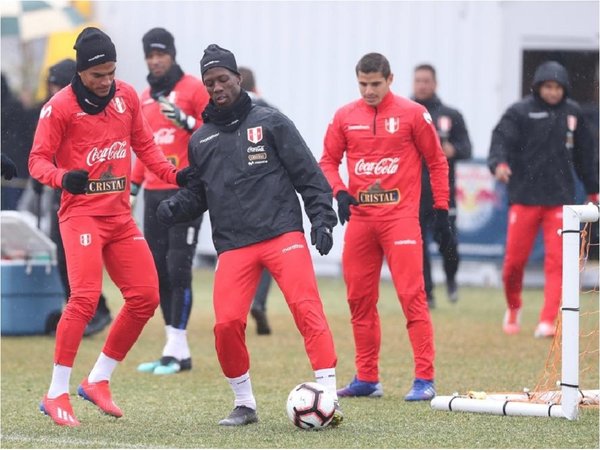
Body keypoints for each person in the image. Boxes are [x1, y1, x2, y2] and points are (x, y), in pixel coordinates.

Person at [157, 44, 343, 426]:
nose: (217, 87)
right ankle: (244, 403)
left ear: (238, 78)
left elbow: (307, 173)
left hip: (281, 233)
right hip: (234, 244)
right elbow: (200, 194)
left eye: (223, 79)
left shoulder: (271, 121)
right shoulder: (201, 140)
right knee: (225, 325)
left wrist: (322, 219)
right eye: (210, 82)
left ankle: (328, 397)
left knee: (307, 309)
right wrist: (175, 207)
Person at [28, 27, 195, 427]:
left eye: (111, 72)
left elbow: (145, 145)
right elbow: (36, 161)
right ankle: (55, 393)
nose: (106, 81)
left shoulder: (127, 96)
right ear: (81, 72)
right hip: (81, 216)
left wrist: (175, 175)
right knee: (84, 300)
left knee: (145, 297)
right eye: (97, 75)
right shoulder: (58, 108)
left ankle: (98, 380)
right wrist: (62, 178)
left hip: (119, 217)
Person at [320, 52, 452, 401]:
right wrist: (339, 192)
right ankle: (367, 378)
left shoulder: (413, 114)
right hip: (361, 222)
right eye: (362, 84)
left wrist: (441, 208)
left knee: (412, 297)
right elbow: (328, 161)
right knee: (359, 300)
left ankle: (424, 379)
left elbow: (437, 161)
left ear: (390, 79)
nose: (369, 91)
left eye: (375, 84)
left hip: (400, 220)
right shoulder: (344, 116)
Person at [488, 60, 599, 338]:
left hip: (559, 201)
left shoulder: (573, 113)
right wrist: (498, 163)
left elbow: (586, 155)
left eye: (558, 87)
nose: (553, 92)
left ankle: (547, 320)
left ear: (565, 89)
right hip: (524, 198)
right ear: (538, 87)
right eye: (548, 86)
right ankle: (513, 307)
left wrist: (593, 189)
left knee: (558, 262)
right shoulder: (519, 111)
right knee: (513, 264)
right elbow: (500, 140)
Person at [132, 28, 210, 375]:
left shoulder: (193, 89)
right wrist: (133, 189)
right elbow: (143, 149)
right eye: (149, 55)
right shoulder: (145, 98)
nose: (155, 61)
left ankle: (175, 349)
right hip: (153, 194)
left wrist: (187, 121)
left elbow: (214, 132)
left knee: (179, 267)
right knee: (159, 270)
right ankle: (175, 349)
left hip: (186, 192)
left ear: (172, 54)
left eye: (160, 54)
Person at [41, 59, 114, 337]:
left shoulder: (86, 110)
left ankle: (94, 309)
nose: (53, 90)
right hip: (60, 190)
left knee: (76, 258)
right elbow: (43, 152)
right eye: (51, 85)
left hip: (82, 196)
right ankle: (79, 308)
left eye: (57, 84)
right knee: (64, 257)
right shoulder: (53, 109)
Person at [412, 64, 472, 307]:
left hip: (443, 194)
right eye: (418, 80)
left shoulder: (451, 115)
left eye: (426, 80)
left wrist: (454, 150)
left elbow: (467, 148)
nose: (422, 85)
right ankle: (427, 294)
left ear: (435, 83)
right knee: (418, 247)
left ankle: (451, 278)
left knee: (449, 244)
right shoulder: (406, 113)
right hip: (414, 194)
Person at [239, 65, 274, 335]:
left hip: (237, 196)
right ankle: (259, 301)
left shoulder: (225, 114)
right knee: (268, 254)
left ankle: (239, 307)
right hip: (267, 194)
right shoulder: (271, 112)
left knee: (241, 253)